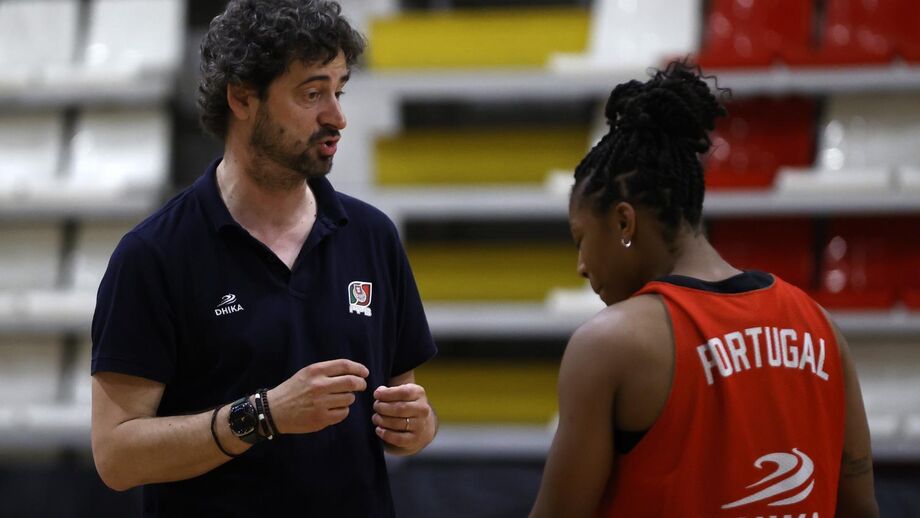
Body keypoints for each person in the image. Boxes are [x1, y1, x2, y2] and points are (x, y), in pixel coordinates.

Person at [90, 1, 438, 515]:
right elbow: (117, 456)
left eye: (338, 91)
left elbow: (404, 414)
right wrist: (265, 415)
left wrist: (414, 427)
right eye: (312, 93)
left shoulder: (372, 237)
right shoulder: (153, 255)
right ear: (242, 97)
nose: (336, 117)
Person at [530, 61, 879, 518]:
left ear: (623, 221)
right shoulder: (821, 326)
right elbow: (860, 508)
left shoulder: (609, 344)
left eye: (581, 240)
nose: (580, 265)